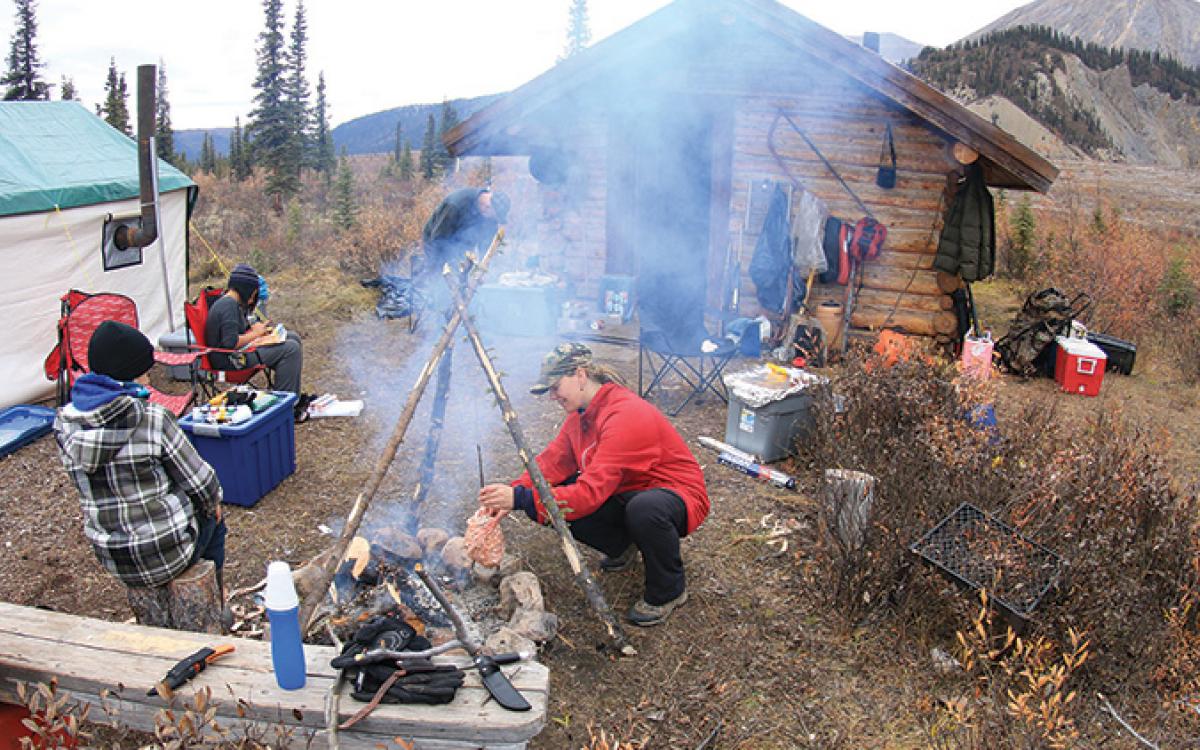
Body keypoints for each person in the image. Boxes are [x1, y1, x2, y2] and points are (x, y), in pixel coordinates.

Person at [478, 342, 709, 626]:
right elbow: (551, 464)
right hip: (624, 490)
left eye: (555, 387)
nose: (552, 396)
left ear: (580, 374)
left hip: (674, 493)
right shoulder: (581, 416)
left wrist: (520, 498)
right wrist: (514, 492)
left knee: (645, 509)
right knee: (543, 494)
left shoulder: (625, 415)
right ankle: (622, 546)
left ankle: (669, 590)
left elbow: (588, 494)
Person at [54, 321, 227, 594]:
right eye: (145, 373)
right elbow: (202, 482)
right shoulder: (152, 419)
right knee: (214, 516)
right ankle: (217, 596)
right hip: (165, 556)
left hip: (114, 558)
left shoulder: (65, 423)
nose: (149, 380)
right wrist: (212, 502)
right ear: (130, 376)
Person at [205, 263, 308, 421]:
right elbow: (230, 343)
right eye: (253, 294)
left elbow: (237, 332)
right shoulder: (228, 306)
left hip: (237, 354)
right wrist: (256, 334)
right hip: (230, 361)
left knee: (292, 337)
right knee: (290, 349)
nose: (253, 299)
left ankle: (290, 398)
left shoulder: (230, 302)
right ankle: (284, 409)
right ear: (246, 290)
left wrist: (259, 331)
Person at [419, 187, 509, 306]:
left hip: (462, 248)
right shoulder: (456, 204)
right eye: (493, 217)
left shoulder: (489, 215)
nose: (493, 220)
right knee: (443, 288)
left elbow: (487, 247)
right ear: (487, 208)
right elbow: (438, 239)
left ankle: (462, 309)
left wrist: (485, 270)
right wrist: (441, 268)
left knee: (463, 283)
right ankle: (440, 314)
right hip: (436, 243)